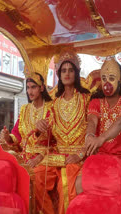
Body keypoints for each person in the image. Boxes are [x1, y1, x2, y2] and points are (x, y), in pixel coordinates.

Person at [36, 50, 90, 214]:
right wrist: (40, 129)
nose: (67, 74)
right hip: (58, 156)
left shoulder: (87, 99)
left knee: (65, 183)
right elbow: (47, 138)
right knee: (38, 174)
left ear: (76, 72)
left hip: (79, 156)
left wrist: (81, 154)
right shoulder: (54, 104)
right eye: (63, 70)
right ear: (59, 74)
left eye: (71, 70)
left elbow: (94, 130)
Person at [0, 72, 56, 214]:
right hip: (25, 157)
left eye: (34, 87)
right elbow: (17, 136)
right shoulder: (25, 110)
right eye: (28, 87)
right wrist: (7, 137)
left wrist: (39, 157)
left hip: (46, 158)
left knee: (34, 177)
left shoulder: (52, 108)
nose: (30, 91)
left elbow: (56, 138)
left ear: (42, 88)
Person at [84, 57, 121, 195]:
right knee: (80, 185)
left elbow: (120, 122)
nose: (107, 83)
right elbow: (92, 121)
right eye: (104, 78)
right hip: (100, 155)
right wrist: (89, 135)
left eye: (112, 78)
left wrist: (101, 139)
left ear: (119, 81)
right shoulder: (96, 102)